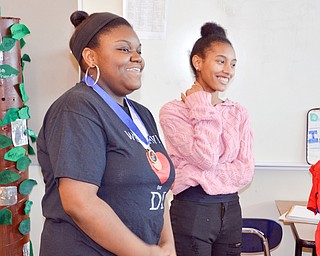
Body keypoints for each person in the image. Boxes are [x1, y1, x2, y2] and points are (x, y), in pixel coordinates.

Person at [37, 11, 176, 256]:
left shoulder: (142, 114)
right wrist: (145, 253)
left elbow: (158, 191)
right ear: (91, 57)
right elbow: (80, 203)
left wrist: (167, 247)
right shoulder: (77, 108)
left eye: (139, 51)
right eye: (124, 49)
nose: (137, 58)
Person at [159, 22, 255, 256]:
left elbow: (245, 171)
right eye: (221, 61)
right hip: (192, 209)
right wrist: (200, 105)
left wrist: (197, 176)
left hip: (231, 210)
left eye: (233, 64)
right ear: (198, 62)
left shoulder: (237, 112)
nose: (228, 71)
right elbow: (206, 158)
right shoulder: (173, 111)